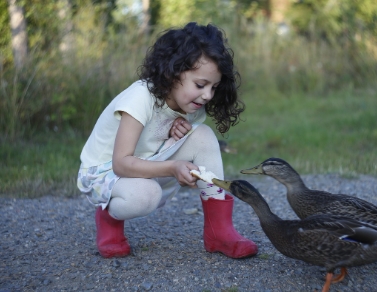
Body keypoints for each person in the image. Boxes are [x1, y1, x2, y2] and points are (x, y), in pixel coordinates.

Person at [76, 22, 258, 259]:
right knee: (146, 195)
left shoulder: (190, 105)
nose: (208, 95)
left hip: (146, 161)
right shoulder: (140, 98)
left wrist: (172, 136)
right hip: (105, 171)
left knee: (203, 135)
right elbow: (121, 163)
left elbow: (152, 140)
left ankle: (219, 232)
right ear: (173, 72)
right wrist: (173, 167)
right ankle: (108, 215)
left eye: (214, 87)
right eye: (201, 85)